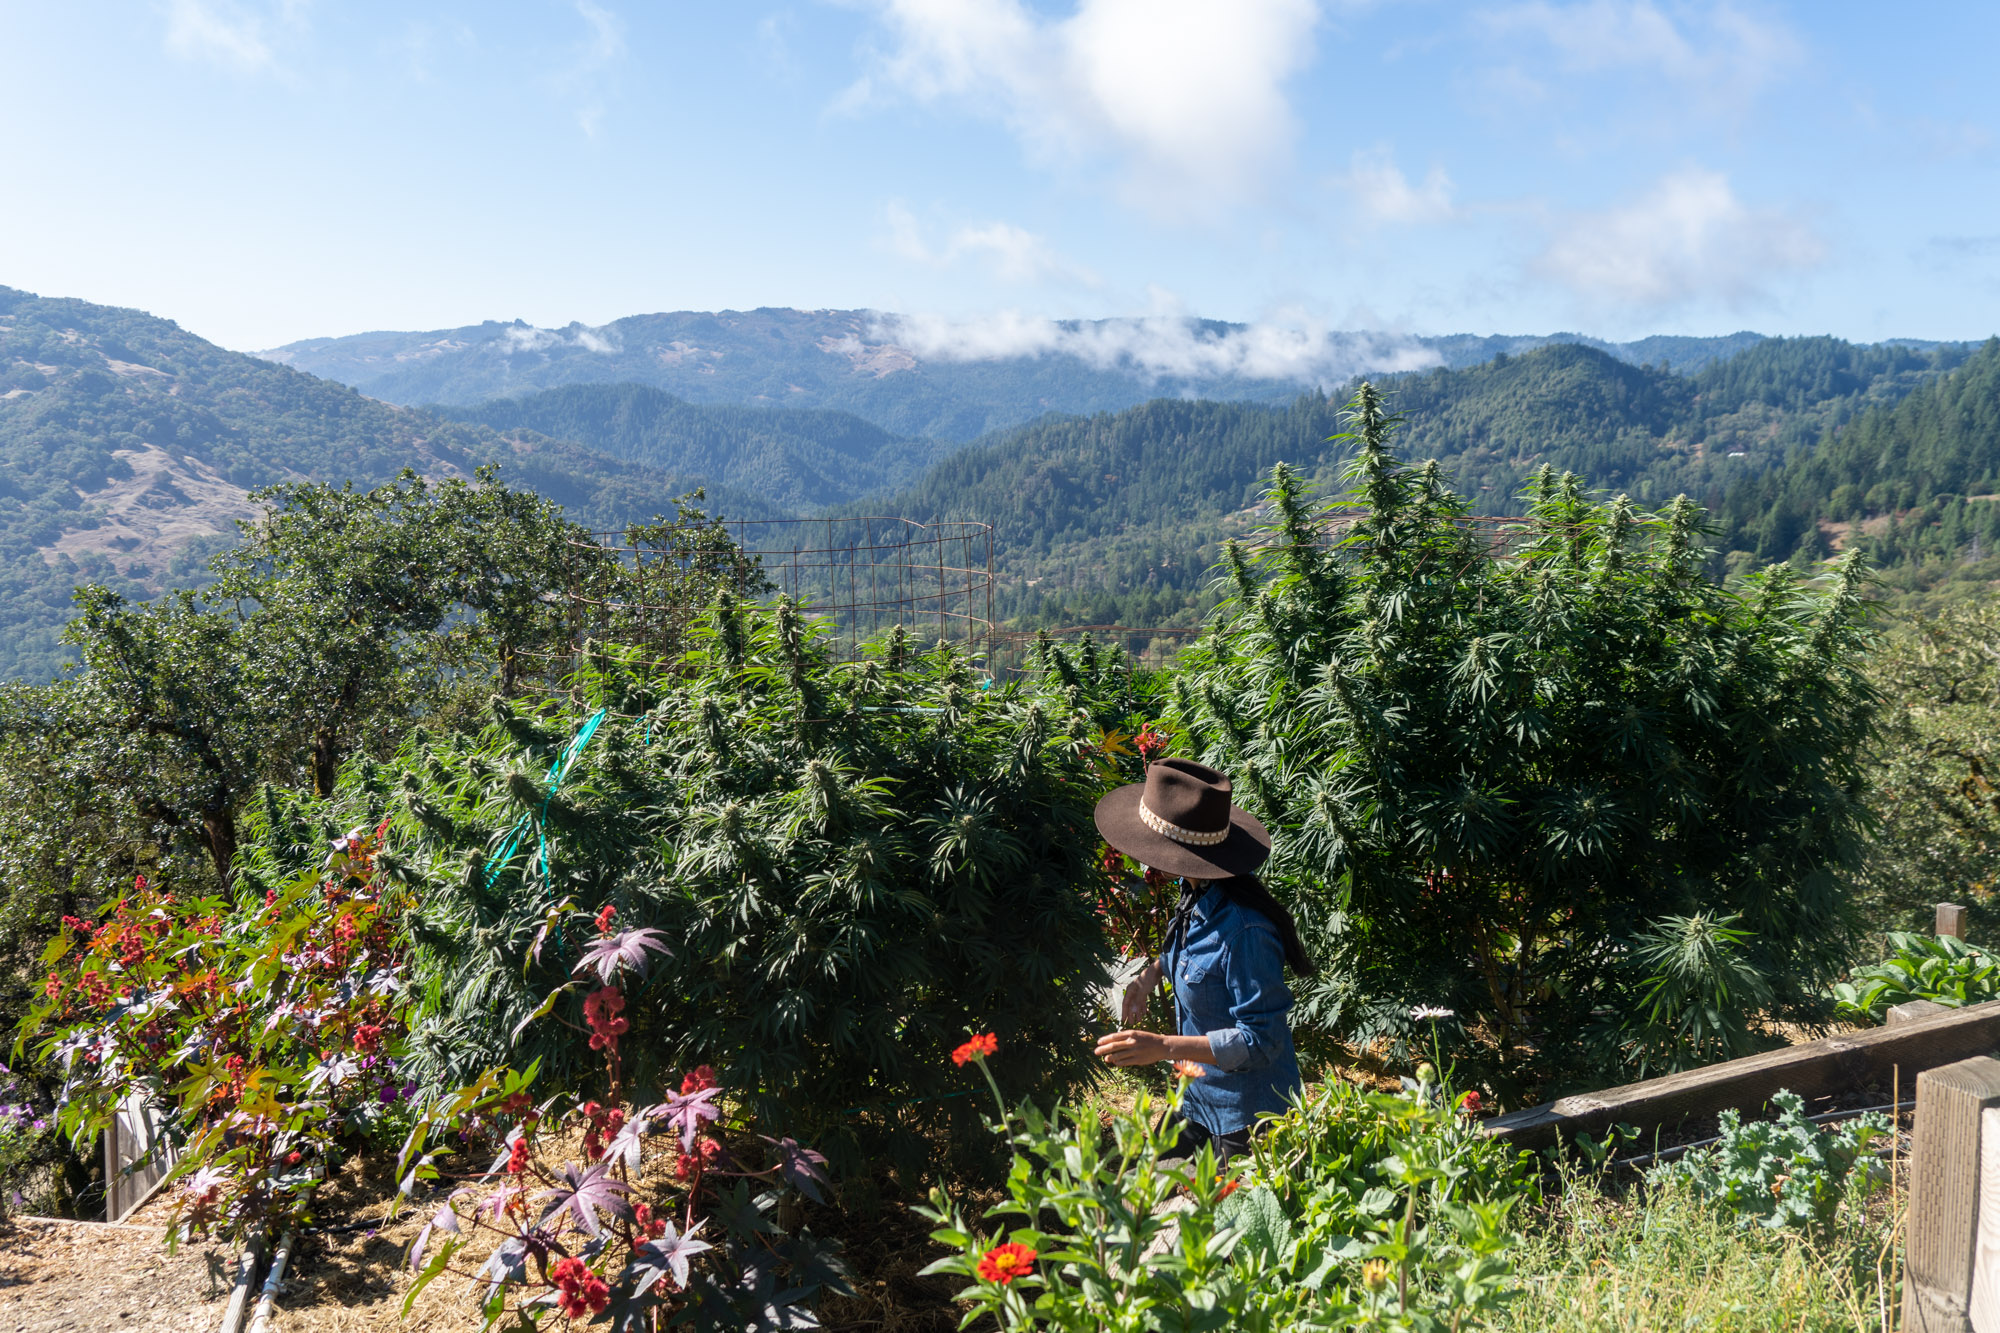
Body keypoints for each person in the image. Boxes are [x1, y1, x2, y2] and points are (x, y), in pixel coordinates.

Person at [1091, 757, 1317, 1163]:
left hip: (1247, 1114)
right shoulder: (1195, 889)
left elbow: (1260, 1041)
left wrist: (1161, 1046)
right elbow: (1188, 949)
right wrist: (1148, 977)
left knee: (1222, 1219)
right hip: (1196, 1093)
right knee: (1147, 1187)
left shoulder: (1246, 933)